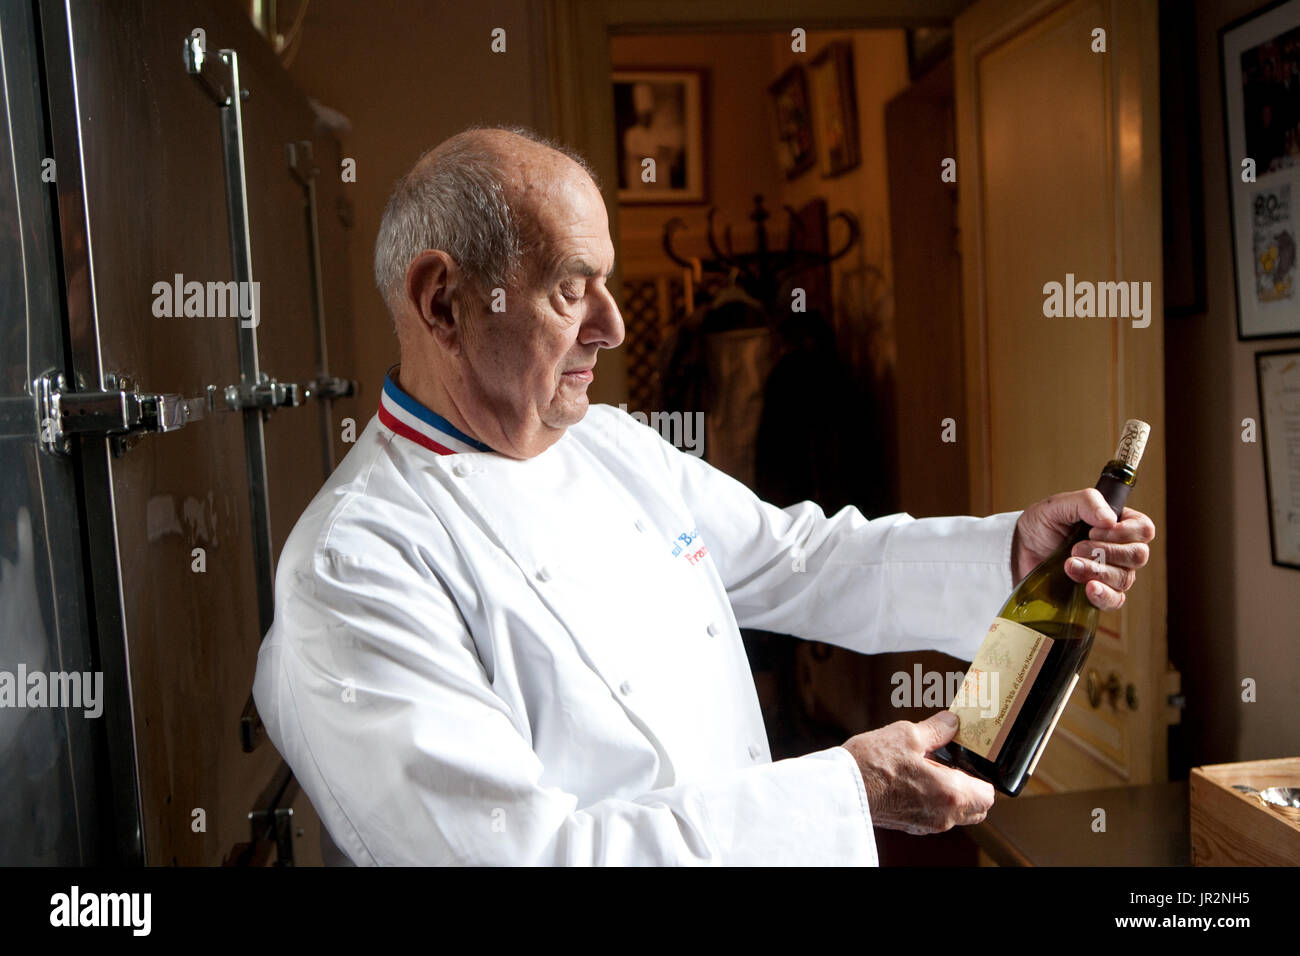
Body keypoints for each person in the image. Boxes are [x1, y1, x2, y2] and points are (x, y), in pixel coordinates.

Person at [251, 125, 1155, 865]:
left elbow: (797, 559)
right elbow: (523, 859)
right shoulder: (354, 566)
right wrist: (846, 792)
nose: (610, 326)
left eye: (606, 283)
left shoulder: (607, 440)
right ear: (443, 303)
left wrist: (1011, 554)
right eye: (572, 289)